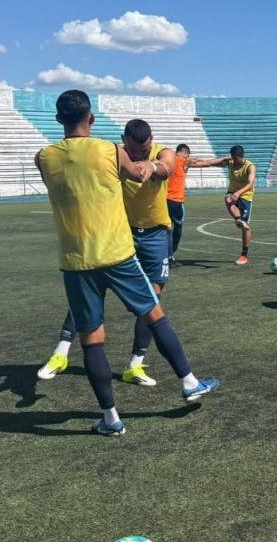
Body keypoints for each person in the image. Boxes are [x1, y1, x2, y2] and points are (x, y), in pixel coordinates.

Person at [35, 91, 218, 435]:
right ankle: (189, 382)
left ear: (59, 120)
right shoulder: (108, 149)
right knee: (153, 313)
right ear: (91, 118)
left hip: (76, 260)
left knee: (92, 339)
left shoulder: (43, 157)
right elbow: (137, 174)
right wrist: (151, 166)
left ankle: (110, 419)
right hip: (118, 252)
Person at [37, 118, 181, 387]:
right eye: (134, 150)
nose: (139, 155)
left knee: (152, 302)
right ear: (124, 141)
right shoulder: (114, 154)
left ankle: (135, 365)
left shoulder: (162, 151)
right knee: (90, 291)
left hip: (155, 235)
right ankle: (61, 352)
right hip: (120, 235)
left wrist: (152, 165)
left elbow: (167, 166)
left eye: (144, 150)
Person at [186, 146, 257, 265]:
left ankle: (244, 255)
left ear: (240, 157)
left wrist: (238, 193)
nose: (233, 160)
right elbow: (209, 163)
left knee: (246, 227)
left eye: (234, 158)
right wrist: (192, 164)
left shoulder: (250, 166)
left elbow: (250, 183)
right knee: (228, 199)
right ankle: (238, 219)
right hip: (232, 193)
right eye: (231, 158)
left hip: (246, 196)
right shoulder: (229, 162)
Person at [166, 143, 210, 266]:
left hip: (164, 199)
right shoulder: (185, 161)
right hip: (176, 200)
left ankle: (166, 255)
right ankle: (171, 254)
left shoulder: (168, 159)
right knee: (178, 227)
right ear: (185, 153)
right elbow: (206, 164)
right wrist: (223, 160)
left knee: (167, 228)